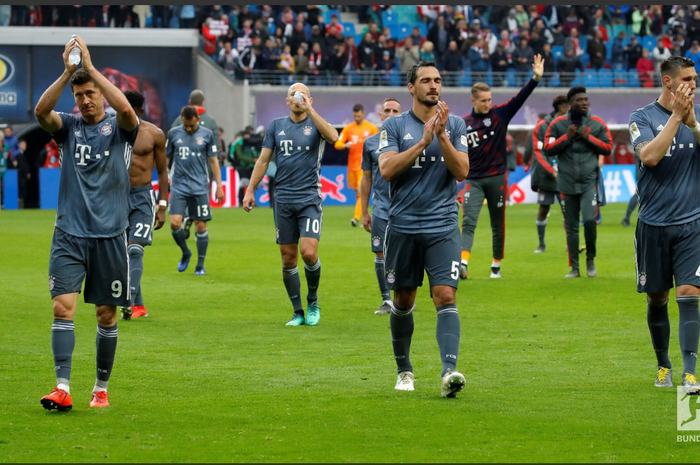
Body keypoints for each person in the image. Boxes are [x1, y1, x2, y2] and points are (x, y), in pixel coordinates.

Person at [36, 37, 139, 411]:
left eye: (90, 93)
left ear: (101, 91)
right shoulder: (67, 127)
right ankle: (62, 386)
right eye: (80, 95)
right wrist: (67, 73)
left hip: (110, 235)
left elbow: (127, 108)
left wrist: (91, 68)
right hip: (69, 232)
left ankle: (100, 388)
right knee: (62, 308)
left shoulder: (121, 127)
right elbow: (40, 112)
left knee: (105, 313)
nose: (85, 100)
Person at [377, 61, 470, 397]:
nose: (434, 86)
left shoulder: (456, 125)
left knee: (445, 295)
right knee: (403, 300)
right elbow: (387, 170)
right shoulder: (393, 126)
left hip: (443, 225)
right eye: (426, 81)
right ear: (411, 87)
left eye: (438, 80)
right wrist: (421, 142)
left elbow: (461, 171)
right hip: (402, 226)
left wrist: (441, 136)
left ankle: (449, 372)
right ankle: (405, 371)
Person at [629, 56, 700, 394]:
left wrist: (694, 125)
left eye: (696, 78)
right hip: (653, 226)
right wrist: (676, 118)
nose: (694, 85)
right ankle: (663, 365)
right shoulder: (641, 118)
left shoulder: (698, 118)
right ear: (668, 82)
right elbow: (649, 157)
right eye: (687, 78)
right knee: (657, 299)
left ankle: (689, 373)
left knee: (689, 293)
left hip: (692, 224)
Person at [242, 83, 338, 326]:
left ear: (309, 99)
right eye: (294, 96)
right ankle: (298, 312)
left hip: (309, 198)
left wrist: (311, 110)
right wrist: (250, 189)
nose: (298, 98)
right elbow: (264, 161)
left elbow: (335, 137)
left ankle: (313, 301)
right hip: (283, 198)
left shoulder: (316, 124)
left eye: (303, 95)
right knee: (288, 258)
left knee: (308, 252)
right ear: (287, 101)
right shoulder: (276, 126)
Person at [460, 54, 545, 280]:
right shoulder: (464, 124)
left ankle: (496, 265)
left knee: (498, 224)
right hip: (474, 180)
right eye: (483, 100)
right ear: (474, 101)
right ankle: (462, 263)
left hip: (497, 178)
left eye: (489, 99)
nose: (488, 103)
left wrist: (535, 79)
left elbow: (520, 98)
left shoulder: (500, 115)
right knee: (468, 221)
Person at [544, 86, 612, 278]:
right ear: (570, 103)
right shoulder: (557, 125)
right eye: (579, 100)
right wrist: (567, 137)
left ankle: (590, 259)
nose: (584, 103)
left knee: (590, 220)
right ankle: (575, 267)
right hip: (566, 183)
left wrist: (587, 137)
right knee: (571, 226)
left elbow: (608, 147)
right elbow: (547, 148)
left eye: (586, 100)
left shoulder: (597, 123)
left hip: (589, 182)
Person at [119, 90, 168, 321]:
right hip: (115, 196)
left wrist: (163, 205)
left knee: (135, 249)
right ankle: (138, 306)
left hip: (142, 197)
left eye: (128, 108)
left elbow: (163, 170)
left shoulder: (154, 134)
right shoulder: (110, 130)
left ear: (139, 110)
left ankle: (127, 299)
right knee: (121, 255)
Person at [167, 105, 224, 276]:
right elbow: (165, 157)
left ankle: (200, 265)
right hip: (179, 186)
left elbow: (214, 161)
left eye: (191, 125)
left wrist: (219, 186)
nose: (189, 129)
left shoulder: (207, 134)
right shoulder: (173, 134)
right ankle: (185, 252)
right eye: (186, 126)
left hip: (199, 186)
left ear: (198, 119)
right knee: (175, 223)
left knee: (201, 225)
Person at [360, 98, 402, 316]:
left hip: (406, 207)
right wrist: (364, 211)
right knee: (379, 252)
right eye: (388, 110)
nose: (392, 113)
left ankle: (403, 297)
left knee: (404, 254)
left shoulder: (410, 141)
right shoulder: (370, 143)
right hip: (381, 207)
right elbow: (366, 178)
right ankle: (387, 300)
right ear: (381, 115)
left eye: (396, 110)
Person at [334, 104, 379, 226]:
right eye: (355, 116)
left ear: (363, 114)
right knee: (357, 193)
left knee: (360, 190)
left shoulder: (371, 129)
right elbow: (337, 143)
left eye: (359, 116)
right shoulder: (348, 129)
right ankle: (362, 213)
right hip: (352, 166)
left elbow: (380, 142)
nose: (357, 118)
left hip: (364, 166)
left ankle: (356, 217)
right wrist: (344, 145)